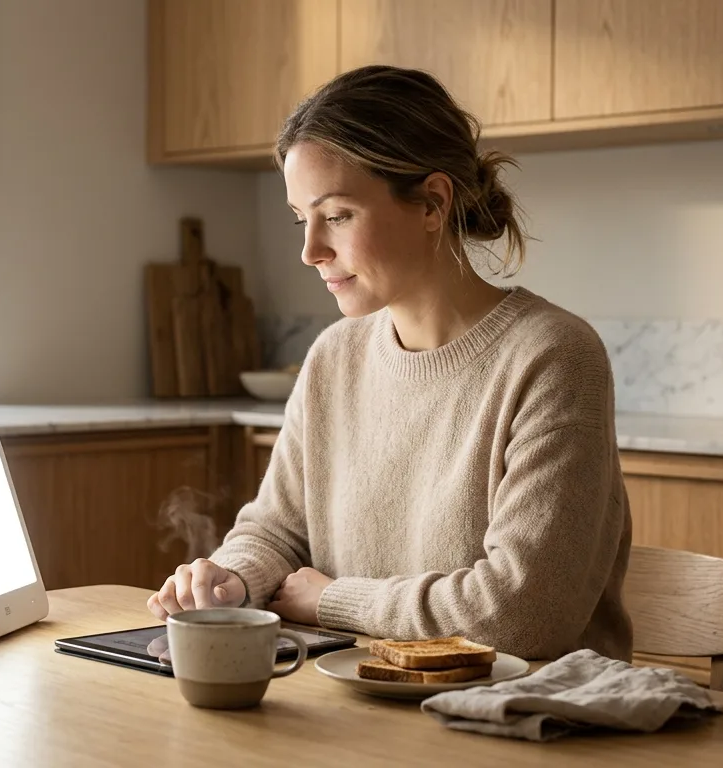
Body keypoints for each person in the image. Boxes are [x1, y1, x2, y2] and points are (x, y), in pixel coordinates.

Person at [147, 65, 633, 662]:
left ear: (432, 203)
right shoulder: (334, 357)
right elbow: (277, 529)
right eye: (302, 219)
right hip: (361, 703)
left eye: (339, 216)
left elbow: (522, 614)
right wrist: (233, 581)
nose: (310, 250)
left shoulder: (553, 357)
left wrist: (334, 602)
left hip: (523, 724)